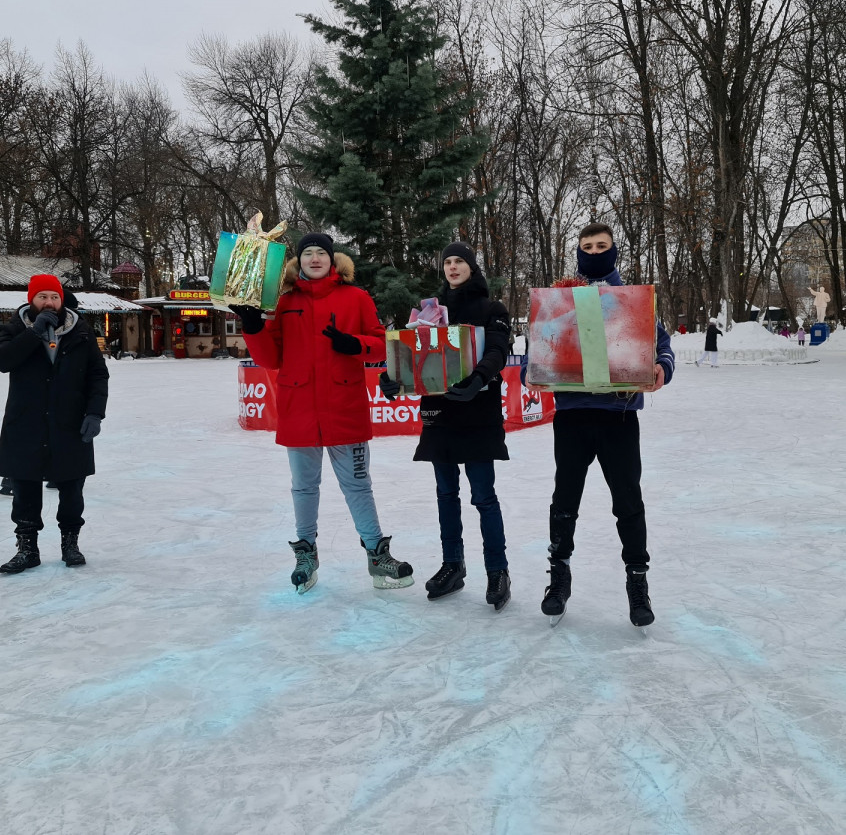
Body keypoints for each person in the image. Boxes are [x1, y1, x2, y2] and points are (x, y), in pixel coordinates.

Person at [234, 233, 413, 594]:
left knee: (358, 486)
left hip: (344, 409)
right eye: (307, 254)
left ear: (333, 260)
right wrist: (253, 327)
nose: (314, 258)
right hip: (299, 408)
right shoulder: (284, 302)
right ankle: (305, 554)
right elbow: (271, 359)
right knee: (304, 487)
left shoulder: (356, 298)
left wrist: (354, 344)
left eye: (321, 253)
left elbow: (381, 342)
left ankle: (377, 555)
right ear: (298, 261)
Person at [532, 222, 675, 627]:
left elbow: (661, 346)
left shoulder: (631, 299)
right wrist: (532, 369)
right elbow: (540, 347)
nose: (594, 253)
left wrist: (663, 367)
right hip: (573, 414)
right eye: (587, 247)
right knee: (565, 499)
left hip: (619, 414)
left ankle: (637, 582)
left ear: (614, 250)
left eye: (601, 246)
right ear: (578, 252)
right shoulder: (560, 300)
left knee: (628, 500)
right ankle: (558, 576)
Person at [381, 242, 513, 610]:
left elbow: (498, 350)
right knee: (445, 493)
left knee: (483, 496)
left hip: (478, 411)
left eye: (460, 261)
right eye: (448, 262)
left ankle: (497, 571)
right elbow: (413, 352)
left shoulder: (492, 308)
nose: (453, 267)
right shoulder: (429, 310)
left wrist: (478, 379)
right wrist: (392, 377)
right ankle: (452, 565)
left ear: (472, 267)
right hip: (439, 413)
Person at [0, 274, 109, 574]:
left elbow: (98, 374)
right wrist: (34, 334)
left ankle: (70, 543)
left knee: (72, 488)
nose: (49, 302)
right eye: (43, 297)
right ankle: (27, 549)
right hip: (26, 422)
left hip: (70, 422)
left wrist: (95, 413)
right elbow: (2, 361)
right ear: (32, 300)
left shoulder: (80, 331)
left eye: (54, 297)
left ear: (61, 299)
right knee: (25, 490)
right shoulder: (15, 327)